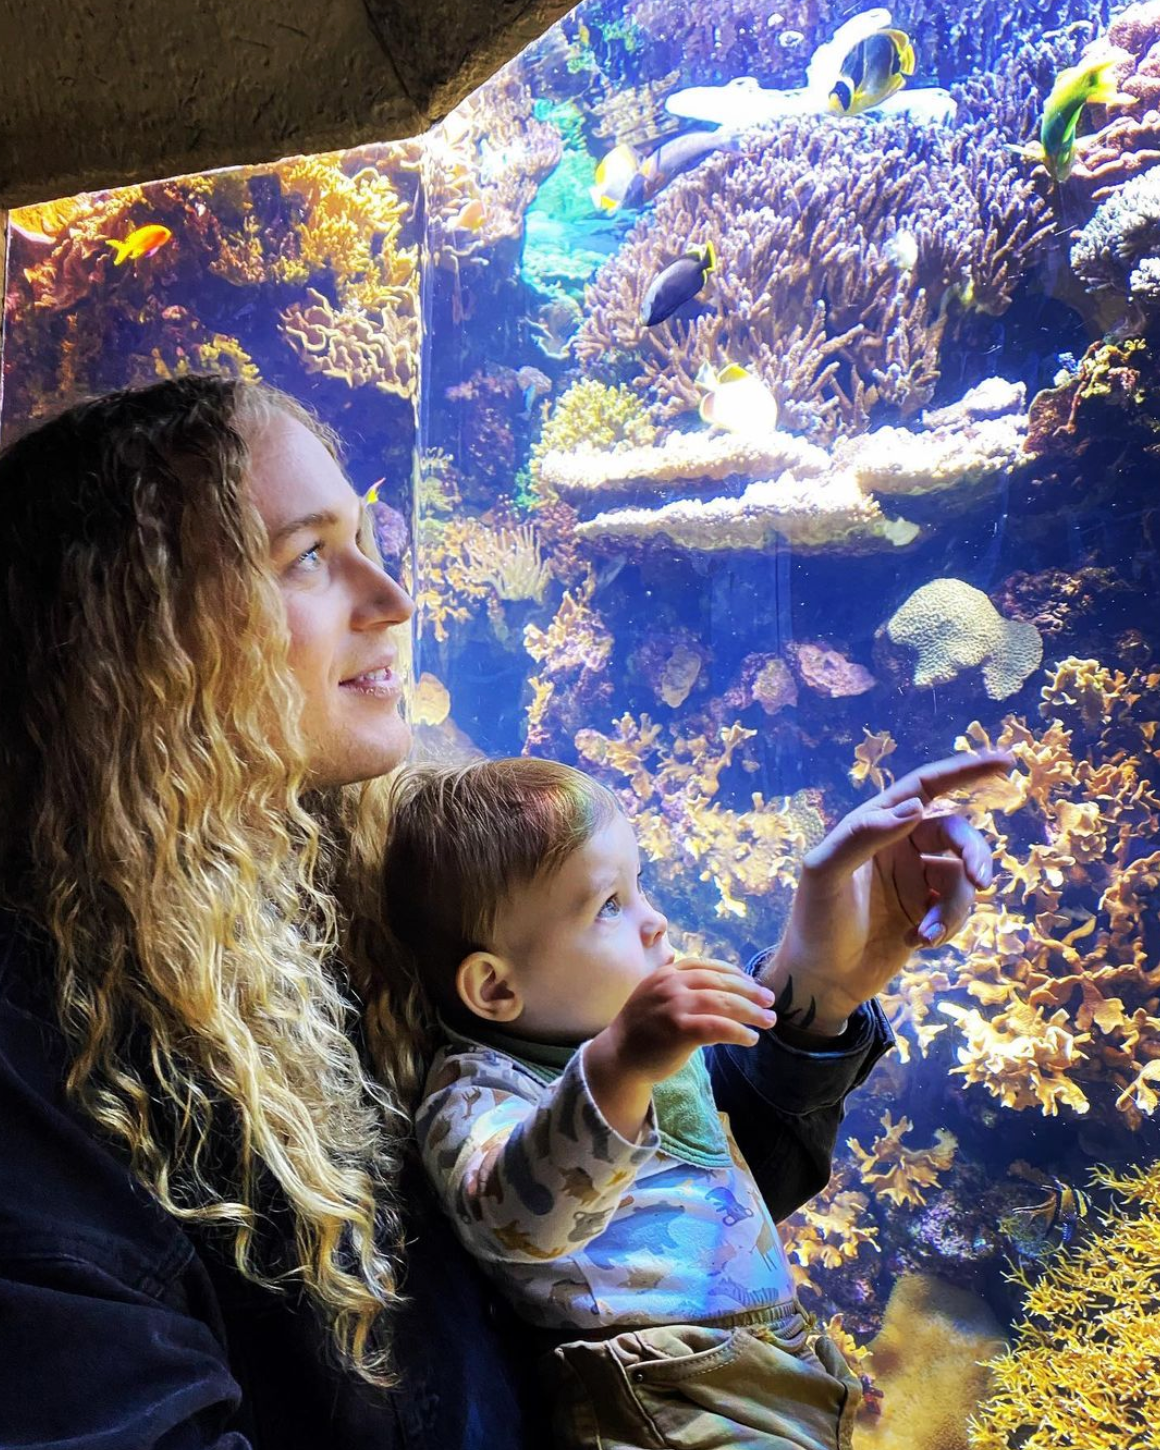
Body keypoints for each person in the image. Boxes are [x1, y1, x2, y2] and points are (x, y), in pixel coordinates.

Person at [0, 375, 1010, 1449]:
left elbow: (630, 1236)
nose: (392, 599)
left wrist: (815, 992)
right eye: (306, 555)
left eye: (365, 536)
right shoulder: (40, 1056)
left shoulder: (369, 876)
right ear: (137, 643)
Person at [377, 755, 994, 1448]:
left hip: (769, 1365)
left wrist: (817, 971)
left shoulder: (616, 1027)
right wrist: (617, 1066)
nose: (656, 922)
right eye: (609, 905)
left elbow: (764, 1044)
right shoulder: (475, 1085)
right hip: (665, 1395)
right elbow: (514, 1218)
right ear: (493, 989)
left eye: (638, 887)